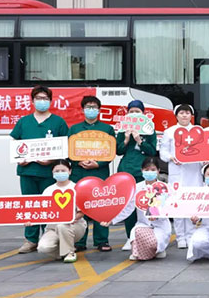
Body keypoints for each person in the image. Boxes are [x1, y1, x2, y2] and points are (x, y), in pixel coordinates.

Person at [10, 86, 69, 253]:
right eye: (38, 98)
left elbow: (65, 147)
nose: (42, 101)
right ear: (32, 100)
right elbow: (14, 143)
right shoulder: (24, 121)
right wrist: (19, 159)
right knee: (30, 205)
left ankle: (49, 237)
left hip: (49, 173)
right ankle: (30, 240)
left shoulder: (58, 122)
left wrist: (51, 160)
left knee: (49, 206)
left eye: (45, 98)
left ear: (50, 101)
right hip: (27, 172)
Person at [69, 96, 116, 252]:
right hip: (79, 172)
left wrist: (99, 163)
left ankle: (102, 240)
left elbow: (111, 152)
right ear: (83, 110)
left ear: (99, 110)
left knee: (100, 205)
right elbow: (69, 151)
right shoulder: (74, 129)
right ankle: (79, 241)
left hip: (99, 172)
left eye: (94, 107)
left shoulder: (107, 129)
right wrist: (78, 162)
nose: (91, 110)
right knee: (79, 206)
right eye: (88, 107)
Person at [103, 158, 171, 261]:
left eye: (153, 170)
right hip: (143, 224)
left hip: (160, 225)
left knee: (157, 240)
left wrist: (158, 215)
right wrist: (112, 219)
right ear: (141, 170)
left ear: (158, 171)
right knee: (136, 232)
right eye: (146, 170)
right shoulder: (136, 188)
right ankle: (143, 252)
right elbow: (127, 208)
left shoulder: (165, 188)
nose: (150, 172)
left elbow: (171, 207)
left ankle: (157, 250)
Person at [115, 99, 158, 250]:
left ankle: (150, 235)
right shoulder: (123, 129)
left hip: (144, 171)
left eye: (137, 112)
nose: (134, 114)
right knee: (129, 205)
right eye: (131, 112)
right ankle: (130, 237)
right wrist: (126, 140)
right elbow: (118, 151)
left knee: (147, 203)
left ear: (143, 114)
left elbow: (152, 151)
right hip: (126, 170)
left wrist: (140, 141)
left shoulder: (149, 129)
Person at [160, 103, 204, 249]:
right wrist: (171, 158)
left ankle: (191, 235)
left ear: (191, 115)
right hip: (177, 171)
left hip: (194, 172)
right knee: (178, 204)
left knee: (192, 203)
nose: (184, 115)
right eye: (181, 113)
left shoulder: (198, 131)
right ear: (176, 115)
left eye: (187, 113)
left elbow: (204, 150)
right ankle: (180, 237)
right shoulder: (169, 132)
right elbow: (163, 152)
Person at [36, 160, 86, 263]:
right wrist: (31, 220)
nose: (60, 173)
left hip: (73, 226)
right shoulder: (48, 190)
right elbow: (42, 212)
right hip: (52, 228)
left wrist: (72, 218)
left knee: (62, 226)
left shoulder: (76, 188)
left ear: (70, 171)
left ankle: (70, 252)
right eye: (57, 171)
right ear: (52, 173)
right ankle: (63, 250)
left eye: (63, 170)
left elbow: (82, 211)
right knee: (43, 248)